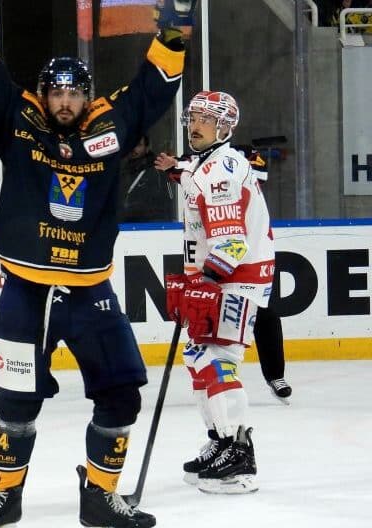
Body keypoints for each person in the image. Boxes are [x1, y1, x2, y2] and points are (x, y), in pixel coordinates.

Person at [0, 0, 197, 528]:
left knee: (122, 393)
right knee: (16, 401)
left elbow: (152, 88)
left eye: (73, 92)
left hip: (90, 293)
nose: (64, 101)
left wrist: (174, 35)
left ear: (87, 96)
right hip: (27, 291)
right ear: (43, 93)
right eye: (56, 92)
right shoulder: (19, 120)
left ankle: (101, 501)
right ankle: (4, 500)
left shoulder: (111, 121)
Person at [161, 90, 275, 495]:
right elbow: (194, 181)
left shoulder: (222, 170)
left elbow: (232, 243)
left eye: (205, 120)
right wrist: (175, 170)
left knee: (218, 360)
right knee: (198, 357)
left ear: (225, 127)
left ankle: (239, 452)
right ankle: (220, 440)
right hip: (221, 277)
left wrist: (204, 283)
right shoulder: (206, 163)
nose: (195, 126)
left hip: (237, 278)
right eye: (192, 118)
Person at [156, 146, 292, 403]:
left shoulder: (240, 155)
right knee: (204, 312)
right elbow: (189, 176)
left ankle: (273, 376)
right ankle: (215, 384)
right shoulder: (199, 158)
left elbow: (258, 174)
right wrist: (176, 166)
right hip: (210, 248)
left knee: (263, 314)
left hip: (245, 253)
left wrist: (192, 169)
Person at [120, 134, 175, 222]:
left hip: (149, 224)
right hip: (125, 222)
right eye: (131, 144)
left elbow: (159, 203)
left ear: (147, 148)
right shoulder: (121, 168)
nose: (134, 149)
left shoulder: (156, 170)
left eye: (138, 145)